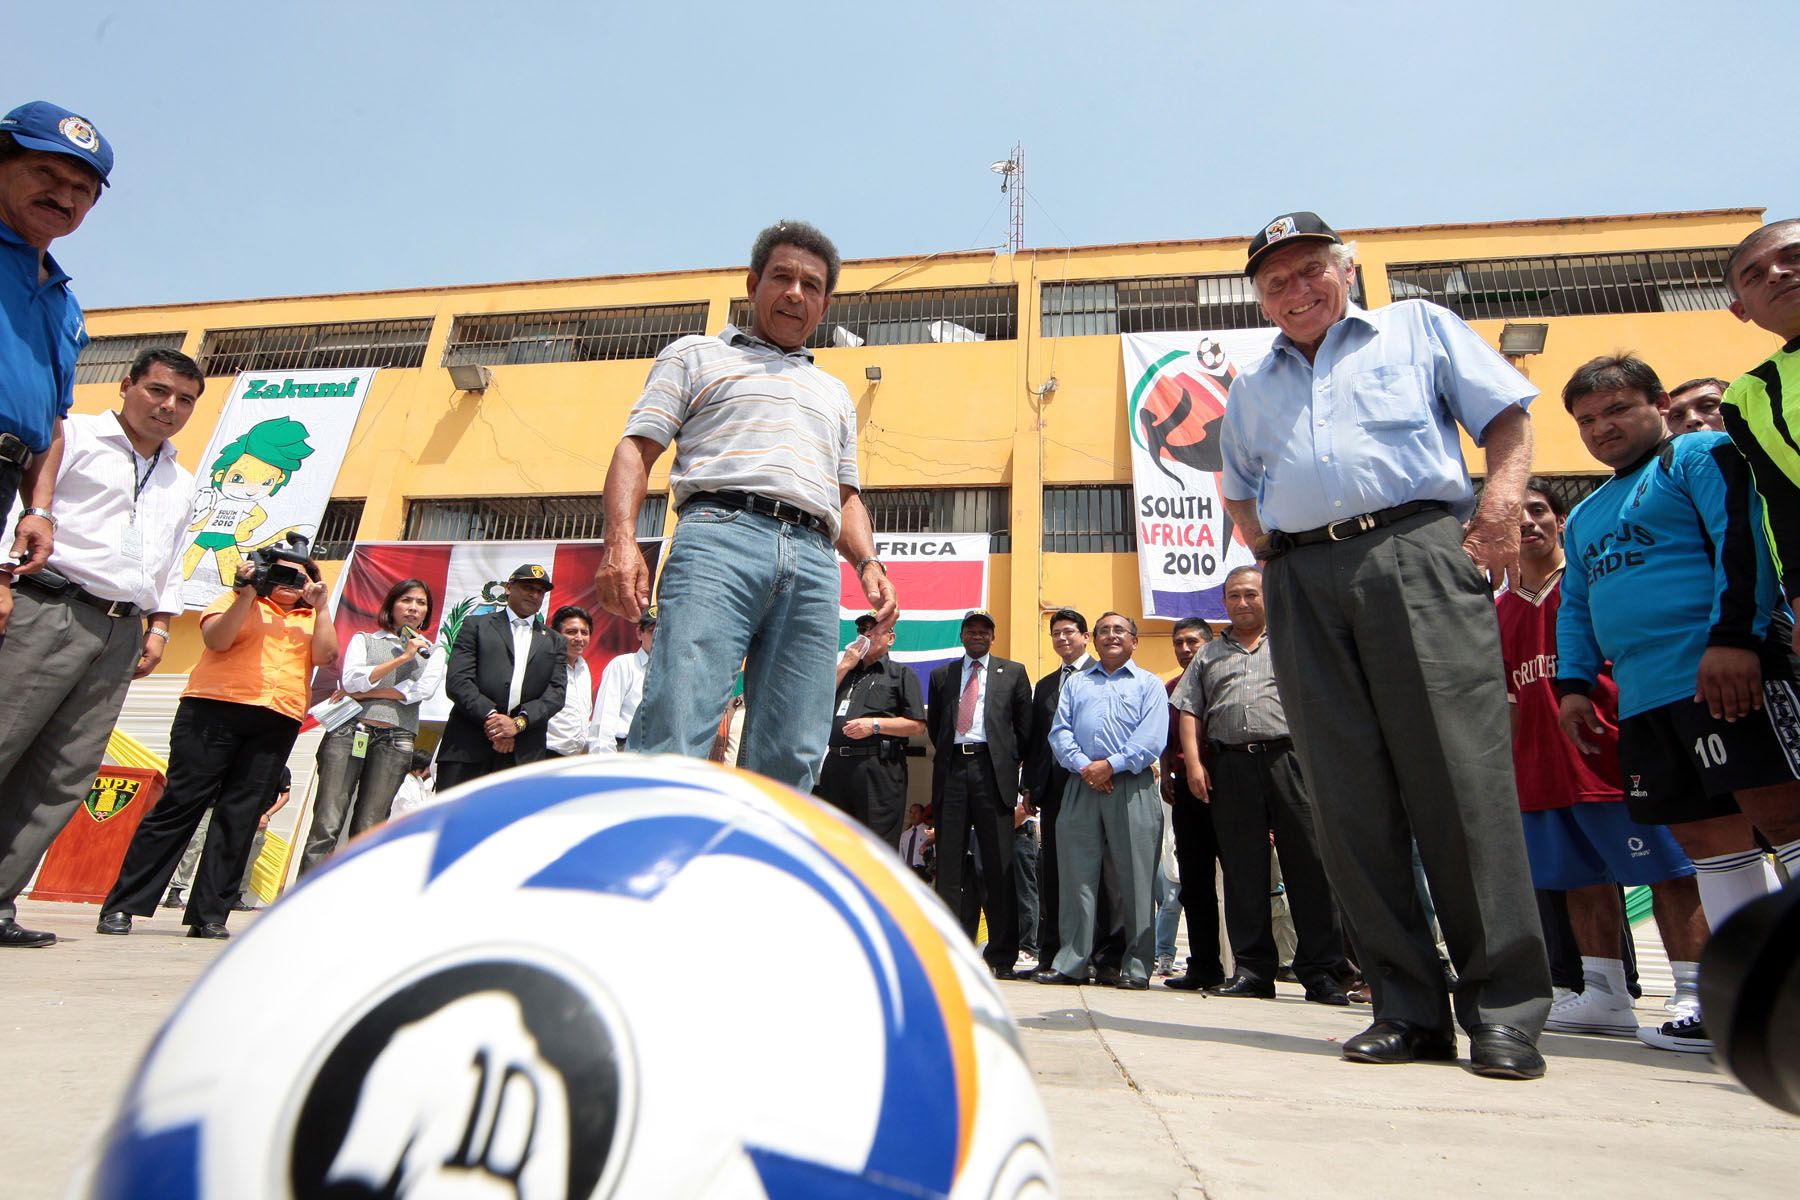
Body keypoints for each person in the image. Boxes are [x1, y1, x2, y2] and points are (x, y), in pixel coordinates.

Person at [1218, 211, 1552, 1078]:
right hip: (1301, 578)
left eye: (1308, 272)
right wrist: (1277, 556)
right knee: (1347, 796)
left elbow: (1508, 419)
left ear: (1348, 269)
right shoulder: (1253, 386)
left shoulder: (1418, 327)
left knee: (1459, 779)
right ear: (1260, 299)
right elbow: (1240, 492)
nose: (1295, 293)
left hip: (1415, 550)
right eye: (1275, 283)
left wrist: (1500, 511)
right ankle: (1406, 1008)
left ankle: (1503, 1009)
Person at [595, 220, 896, 791]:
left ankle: (759, 874)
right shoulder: (696, 355)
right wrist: (621, 539)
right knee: (678, 718)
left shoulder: (834, 393)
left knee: (795, 744)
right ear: (753, 282)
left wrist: (869, 563)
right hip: (718, 539)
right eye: (781, 277)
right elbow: (636, 449)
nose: (794, 293)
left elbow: (845, 495)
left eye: (811, 285)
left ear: (825, 302)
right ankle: (643, 867)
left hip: (813, 561)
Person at [1556, 354, 1800, 1053]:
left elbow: (1744, 540)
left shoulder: (1699, 454)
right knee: (1706, 845)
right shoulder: (1588, 513)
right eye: (1587, 420)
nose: (1603, 428)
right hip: (1646, 697)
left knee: (1783, 821)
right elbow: (1576, 606)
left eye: (1617, 410)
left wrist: (1735, 639)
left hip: (1726, 670)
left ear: (1658, 404)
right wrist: (1573, 687)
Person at [0, 349, 201, 948]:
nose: (170, 407)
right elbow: (17, 508)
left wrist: (159, 628)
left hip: (120, 630)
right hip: (46, 605)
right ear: (126, 385)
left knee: (65, 773)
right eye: (159, 391)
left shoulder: (180, 479)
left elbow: (169, 560)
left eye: (185, 400)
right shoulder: (73, 437)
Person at [1500, 478, 1707, 1037]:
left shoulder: (1591, 585)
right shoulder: (1499, 611)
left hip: (1610, 759)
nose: (1528, 523)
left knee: (1668, 874)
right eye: (1515, 515)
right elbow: (1510, 703)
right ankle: (1604, 993)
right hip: (1541, 772)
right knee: (1579, 884)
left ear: (1561, 520)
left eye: (1539, 511)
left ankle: (1696, 991)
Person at [97, 552, 338, 938]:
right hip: (213, 710)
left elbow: (326, 657)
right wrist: (247, 591)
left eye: (298, 578)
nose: (287, 584)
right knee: (180, 805)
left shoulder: (313, 618)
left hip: (276, 718)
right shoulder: (235, 600)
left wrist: (322, 607)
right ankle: (124, 906)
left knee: (239, 818)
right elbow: (217, 639)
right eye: (279, 574)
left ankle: (209, 915)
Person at [1173, 566, 1350, 1005]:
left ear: (1267, 597)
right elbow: (1191, 711)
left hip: (1290, 762)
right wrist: (1194, 764)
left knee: (1309, 864)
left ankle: (1322, 971)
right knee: (1243, 869)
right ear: (1224, 603)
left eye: (1251, 594)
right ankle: (1253, 970)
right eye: (1233, 596)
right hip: (1230, 768)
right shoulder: (1209, 655)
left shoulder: (1294, 641)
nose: (1242, 602)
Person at [0, 100, 113, 643]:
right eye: (45, 172)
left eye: (82, 189)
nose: (62, 196)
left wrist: (39, 509)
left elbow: (52, 421)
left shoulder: (66, 306)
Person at [1034, 613, 1168, 989]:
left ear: (1134, 641)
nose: (1111, 636)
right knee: (1076, 877)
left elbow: (1152, 738)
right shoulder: (1076, 684)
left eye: (1119, 630)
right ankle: (1072, 961)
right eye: (1104, 630)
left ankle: (1137, 967)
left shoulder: (1149, 684)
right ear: (1094, 639)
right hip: (1081, 785)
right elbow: (1059, 732)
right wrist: (1085, 766)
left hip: (1132, 786)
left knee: (1135, 880)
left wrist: (1111, 765)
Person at [297, 578, 441, 876]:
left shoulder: (434, 652)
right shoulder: (365, 639)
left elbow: (419, 692)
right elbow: (351, 680)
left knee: (370, 826)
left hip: (396, 738)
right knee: (327, 821)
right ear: (392, 605)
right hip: (349, 732)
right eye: (407, 601)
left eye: (421, 603)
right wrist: (402, 658)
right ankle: (305, 901)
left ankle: (351, 903)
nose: (414, 608)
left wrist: (364, 691)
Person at [927, 609, 1033, 979]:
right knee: (950, 866)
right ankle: (951, 951)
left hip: (993, 773)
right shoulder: (943, 676)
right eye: (970, 630)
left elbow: (1024, 730)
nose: (976, 636)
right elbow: (935, 727)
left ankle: (1002, 956)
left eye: (983, 631)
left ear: (993, 637)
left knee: (999, 865)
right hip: (953, 771)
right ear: (962, 636)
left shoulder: (1014, 673)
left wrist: (1006, 763)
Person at [1022, 608, 1125, 978]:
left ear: (1086, 636)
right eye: (1056, 634)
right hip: (1055, 791)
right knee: (1055, 873)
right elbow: (1038, 741)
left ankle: (1107, 958)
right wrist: (1030, 786)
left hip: (1098, 784)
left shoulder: (1106, 675)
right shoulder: (1046, 685)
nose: (1062, 639)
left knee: (1104, 875)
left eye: (1069, 632)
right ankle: (1053, 954)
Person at [1720, 219, 1800, 662]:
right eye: (1755, 275)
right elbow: (1783, 503)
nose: (1777, 273)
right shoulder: (1747, 395)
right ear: (1741, 310)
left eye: (1794, 257)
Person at [436, 564, 567, 791]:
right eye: (527, 587)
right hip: (468, 745)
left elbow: (556, 694)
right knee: (456, 823)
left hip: (523, 753)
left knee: (510, 824)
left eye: (540, 591)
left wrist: (517, 724)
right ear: (509, 588)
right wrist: (493, 720)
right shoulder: (476, 625)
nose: (534, 594)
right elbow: (458, 680)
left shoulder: (554, 641)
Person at [815, 613, 925, 847]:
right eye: (862, 630)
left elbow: (917, 726)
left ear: (890, 638)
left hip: (877, 768)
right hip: (836, 766)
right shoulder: (845, 672)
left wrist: (875, 725)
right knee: (833, 843)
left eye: (875, 630)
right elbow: (816, 700)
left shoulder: (900, 674)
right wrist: (845, 664)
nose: (867, 634)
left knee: (876, 845)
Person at [1159, 616, 1226, 991]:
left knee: (1242, 880)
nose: (1185, 649)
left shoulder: (1225, 683)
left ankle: (1253, 966)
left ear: (1209, 643)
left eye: (1192, 642)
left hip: (1228, 789)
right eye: (1179, 643)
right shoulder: (1170, 690)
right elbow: (1167, 741)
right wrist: (1168, 772)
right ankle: (1204, 965)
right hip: (1186, 791)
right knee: (1195, 882)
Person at [593, 609, 655, 752]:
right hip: (624, 748)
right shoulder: (623, 665)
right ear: (639, 633)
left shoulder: (670, 671)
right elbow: (604, 719)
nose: (659, 637)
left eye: (665, 632)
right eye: (653, 631)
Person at [545, 605, 597, 757]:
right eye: (571, 632)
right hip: (545, 754)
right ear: (556, 634)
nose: (579, 638)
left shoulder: (583, 667)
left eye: (584, 633)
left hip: (573, 757)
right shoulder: (544, 665)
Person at [899, 803, 934, 883]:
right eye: (911, 812)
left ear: (922, 814)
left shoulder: (929, 831)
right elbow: (901, 857)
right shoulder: (905, 835)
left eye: (916, 813)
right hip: (906, 876)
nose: (912, 815)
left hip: (922, 876)